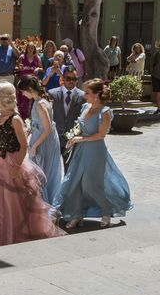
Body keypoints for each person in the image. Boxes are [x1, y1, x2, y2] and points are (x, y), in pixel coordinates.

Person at [0, 82, 64, 248]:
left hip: (12, 161)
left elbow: (23, 145)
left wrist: (17, 166)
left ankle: (15, 232)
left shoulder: (15, 119)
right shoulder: (0, 116)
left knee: (14, 200)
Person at [55, 79, 133, 229]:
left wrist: (80, 138)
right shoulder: (85, 106)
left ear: (96, 95)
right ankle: (77, 215)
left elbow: (101, 135)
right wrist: (74, 138)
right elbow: (80, 127)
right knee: (74, 183)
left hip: (95, 151)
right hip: (81, 151)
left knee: (90, 185)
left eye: (87, 92)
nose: (84, 95)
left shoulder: (105, 112)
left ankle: (106, 211)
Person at [17, 76, 62, 204]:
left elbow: (47, 129)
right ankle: (43, 204)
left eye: (23, 91)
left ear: (30, 89)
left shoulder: (40, 104)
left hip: (44, 141)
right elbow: (41, 124)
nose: (23, 94)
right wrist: (30, 129)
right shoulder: (40, 101)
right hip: (43, 138)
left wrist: (35, 146)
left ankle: (43, 205)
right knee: (42, 171)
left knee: (41, 172)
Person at [48, 67, 85, 167]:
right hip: (54, 137)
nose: (71, 81)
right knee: (51, 169)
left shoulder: (83, 96)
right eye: (68, 78)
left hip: (72, 139)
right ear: (63, 78)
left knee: (69, 169)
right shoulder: (52, 94)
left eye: (74, 79)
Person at [16, 42, 42, 119]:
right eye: (29, 47)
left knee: (32, 100)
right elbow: (17, 67)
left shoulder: (37, 57)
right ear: (26, 48)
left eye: (32, 48)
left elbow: (41, 68)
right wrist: (19, 68)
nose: (30, 49)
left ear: (34, 49)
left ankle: (32, 117)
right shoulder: (22, 57)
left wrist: (38, 68)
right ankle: (23, 118)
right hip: (23, 82)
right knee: (23, 101)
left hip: (33, 83)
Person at [152, 40, 160, 115]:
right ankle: (158, 108)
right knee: (158, 92)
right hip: (157, 76)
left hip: (156, 75)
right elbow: (153, 65)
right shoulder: (157, 54)